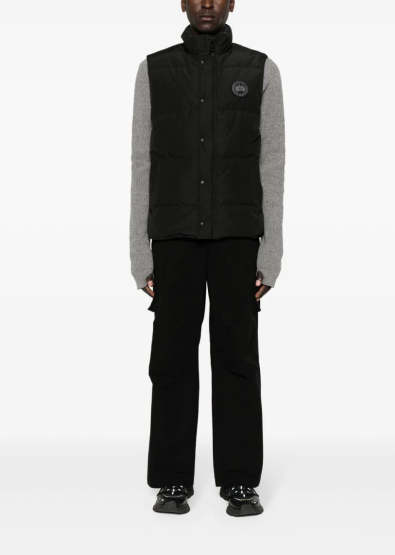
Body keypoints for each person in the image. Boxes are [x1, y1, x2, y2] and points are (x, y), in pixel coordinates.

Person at [130, 0, 285, 517]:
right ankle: (172, 479)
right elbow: (142, 161)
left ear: (232, 2)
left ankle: (239, 481)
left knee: (237, 358)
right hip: (173, 236)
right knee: (171, 360)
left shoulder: (260, 69)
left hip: (237, 238)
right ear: (182, 1)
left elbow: (272, 163)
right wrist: (140, 252)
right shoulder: (154, 70)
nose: (207, 4)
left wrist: (271, 250)